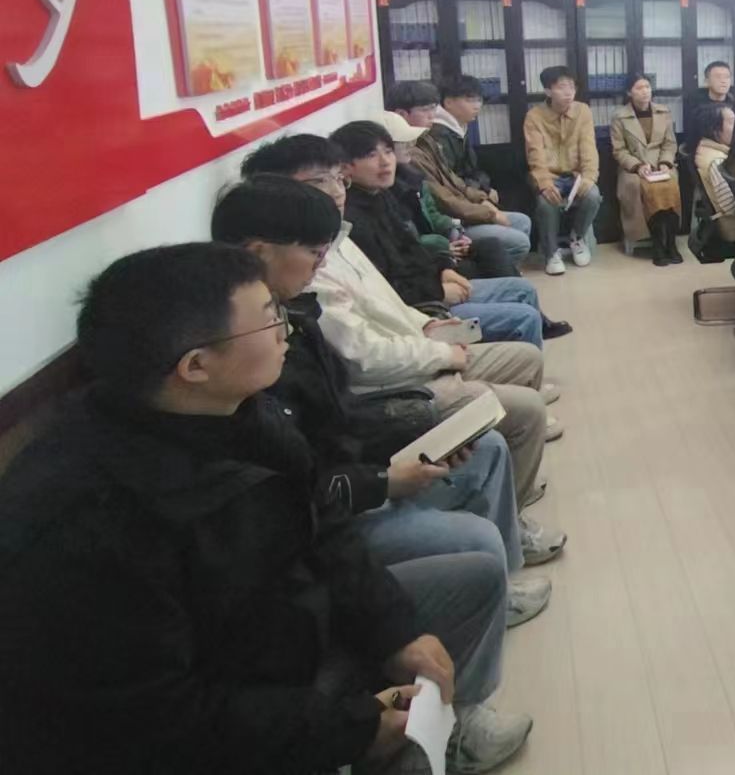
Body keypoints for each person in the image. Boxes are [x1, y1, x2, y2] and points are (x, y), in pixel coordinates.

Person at [0, 243, 528, 773]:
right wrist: (352, 727)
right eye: (269, 318)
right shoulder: (87, 520)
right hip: (221, 708)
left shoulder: (244, 413)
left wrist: (395, 631)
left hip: (284, 634)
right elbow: (159, 718)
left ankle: (442, 734)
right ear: (196, 365)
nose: (286, 330)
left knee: (474, 580)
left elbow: (326, 530)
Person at [211, 176, 564, 624]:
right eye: (314, 253)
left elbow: (337, 418)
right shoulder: (249, 362)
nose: (322, 262)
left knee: (486, 443)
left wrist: (406, 440)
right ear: (260, 252)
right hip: (348, 497)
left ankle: (507, 567)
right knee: (479, 538)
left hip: (370, 440)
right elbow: (304, 488)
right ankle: (492, 583)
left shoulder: (295, 313)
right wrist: (385, 478)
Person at [242, 134, 558, 504]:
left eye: (338, 178)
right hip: (399, 383)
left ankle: (514, 477)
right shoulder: (303, 276)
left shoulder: (339, 237)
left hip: (418, 345)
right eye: (319, 181)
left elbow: (392, 295)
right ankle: (513, 496)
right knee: (522, 408)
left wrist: (425, 324)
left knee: (525, 355)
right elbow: (364, 359)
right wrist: (442, 351)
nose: (336, 190)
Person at [332, 121, 566, 346]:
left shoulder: (381, 195)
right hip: (420, 313)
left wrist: (442, 269)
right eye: (371, 155)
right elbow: (385, 290)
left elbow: (411, 248)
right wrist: (439, 290)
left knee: (523, 289)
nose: (385, 162)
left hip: (430, 285)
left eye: (388, 151)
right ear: (345, 167)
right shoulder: (353, 222)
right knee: (524, 317)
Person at [382, 111, 520, 279]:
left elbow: (437, 207)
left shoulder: (414, 172)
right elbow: (407, 238)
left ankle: (512, 285)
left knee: (492, 247)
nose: (409, 146)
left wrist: (455, 231)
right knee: (500, 253)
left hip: (445, 240)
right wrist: (445, 245)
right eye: (402, 143)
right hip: (428, 258)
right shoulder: (388, 190)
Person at [414, 76, 534, 263]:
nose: (477, 105)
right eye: (470, 99)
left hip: (464, 205)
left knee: (521, 221)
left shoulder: (452, 131)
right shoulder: (436, 135)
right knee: (518, 239)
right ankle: (495, 271)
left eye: (479, 99)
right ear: (448, 102)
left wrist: (483, 194)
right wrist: (487, 211)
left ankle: (505, 269)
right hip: (452, 219)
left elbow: (461, 176)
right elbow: (444, 198)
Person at [523, 66, 602, 275]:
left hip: (575, 175)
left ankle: (577, 238)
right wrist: (544, 183)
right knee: (545, 202)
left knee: (593, 196)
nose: (568, 92)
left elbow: (589, 147)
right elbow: (535, 154)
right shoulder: (534, 116)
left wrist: (589, 177)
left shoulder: (583, 111)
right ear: (548, 91)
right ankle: (551, 253)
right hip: (549, 175)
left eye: (572, 87)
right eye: (561, 87)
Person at [610, 72, 683, 265]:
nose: (645, 92)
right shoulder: (620, 116)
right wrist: (638, 166)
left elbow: (670, 143)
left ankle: (671, 242)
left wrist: (665, 163)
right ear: (629, 92)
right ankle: (656, 243)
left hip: (661, 163)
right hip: (634, 167)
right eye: (639, 88)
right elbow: (619, 150)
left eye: (647, 87)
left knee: (670, 183)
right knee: (636, 186)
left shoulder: (663, 112)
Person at [693, 103, 735, 247]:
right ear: (715, 130)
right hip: (734, 224)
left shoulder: (706, 148)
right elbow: (730, 207)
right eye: (732, 122)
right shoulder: (717, 161)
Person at [684, 59, 735, 161]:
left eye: (727, 77)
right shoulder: (697, 108)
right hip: (707, 156)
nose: (723, 81)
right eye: (718, 77)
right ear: (707, 81)